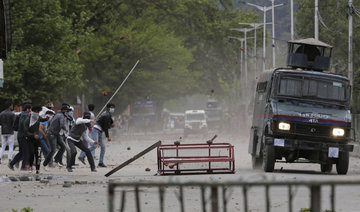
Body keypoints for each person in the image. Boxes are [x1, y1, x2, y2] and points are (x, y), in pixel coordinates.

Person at [78, 103, 115, 167]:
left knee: (103, 147)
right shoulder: (106, 115)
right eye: (111, 107)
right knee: (94, 145)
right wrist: (107, 136)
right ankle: (82, 156)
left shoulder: (108, 114)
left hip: (100, 131)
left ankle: (100, 162)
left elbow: (110, 122)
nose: (112, 109)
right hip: (96, 130)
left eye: (113, 108)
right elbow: (106, 126)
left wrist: (111, 125)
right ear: (108, 108)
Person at [9, 103, 32, 171]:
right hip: (23, 135)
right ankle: (23, 167)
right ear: (28, 109)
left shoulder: (22, 114)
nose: (30, 110)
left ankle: (11, 164)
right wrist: (27, 132)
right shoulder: (25, 115)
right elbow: (23, 124)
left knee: (22, 152)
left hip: (20, 135)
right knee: (26, 152)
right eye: (30, 109)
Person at [23, 106, 42, 174]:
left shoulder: (38, 118)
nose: (37, 113)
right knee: (31, 153)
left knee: (39, 154)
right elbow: (26, 132)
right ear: (33, 112)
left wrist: (47, 118)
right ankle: (30, 166)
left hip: (38, 140)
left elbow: (43, 119)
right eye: (36, 112)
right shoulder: (27, 120)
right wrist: (33, 135)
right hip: (30, 139)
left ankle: (38, 169)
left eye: (38, 112)